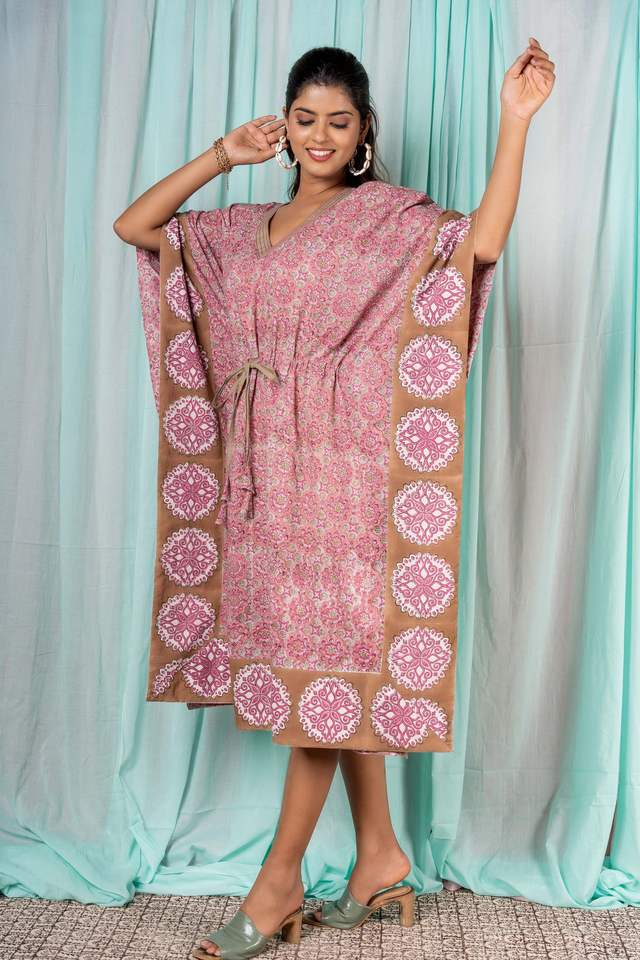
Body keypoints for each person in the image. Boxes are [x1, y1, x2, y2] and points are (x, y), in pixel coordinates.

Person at [114, 41, 554, 960]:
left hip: (347, 472)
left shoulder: (387, 218)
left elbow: (480, 244)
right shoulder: (243, 228)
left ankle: (277, 883)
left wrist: (515, 122)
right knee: (326, 667)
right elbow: (136, 226)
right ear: (285, 126)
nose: (320, 135)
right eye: (304, 118)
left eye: (338, 121)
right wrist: (221, 156)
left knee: (321, 671)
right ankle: (381, 859)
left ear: (364, 133)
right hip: (265, 477)